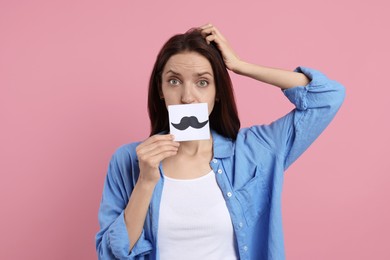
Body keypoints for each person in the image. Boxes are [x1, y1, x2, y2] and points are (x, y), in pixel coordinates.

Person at [95, 24, 345, 260]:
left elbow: (327, 97)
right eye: (174, 81)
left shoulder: (255, 151)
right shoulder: (129, 161)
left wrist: (240, 66)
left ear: (217, 94)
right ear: (161, 90)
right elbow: (109, 254)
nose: (187, 97)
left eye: (202, 82)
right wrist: (146, 181)